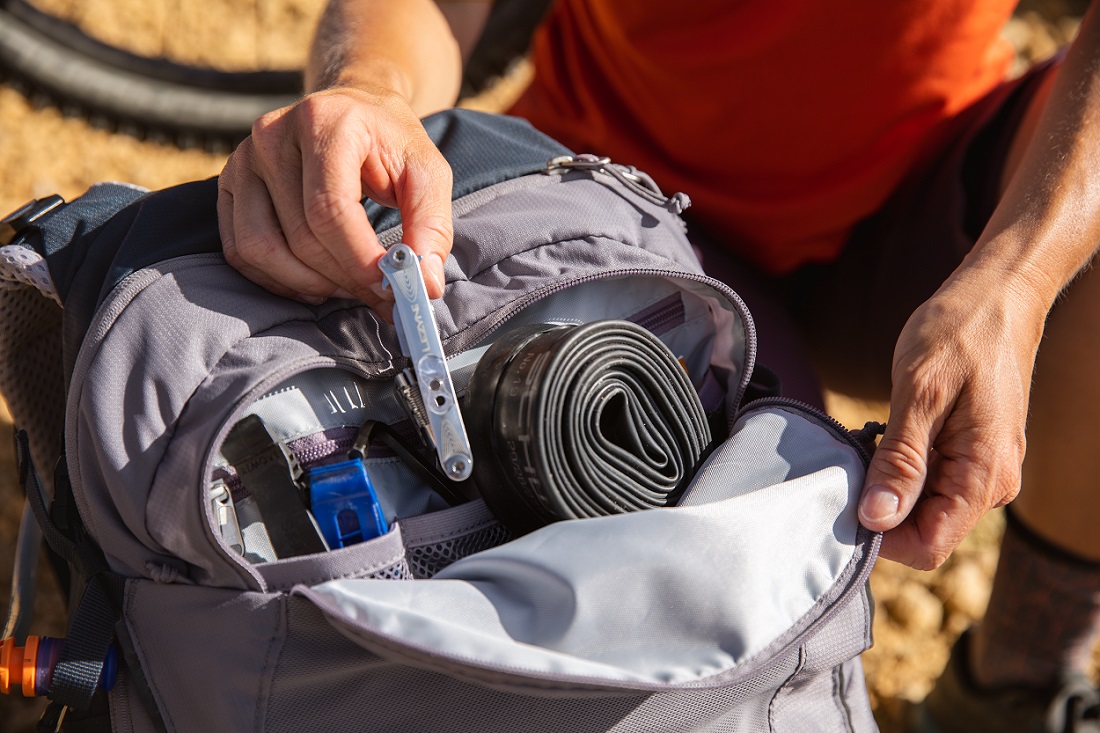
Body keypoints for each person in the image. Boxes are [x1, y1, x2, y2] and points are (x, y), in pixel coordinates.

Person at [215, 1, 1100, 730]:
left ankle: (1016, 687)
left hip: (918, 206)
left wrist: (1018, 276)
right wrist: (369, 91)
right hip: (615, 218)